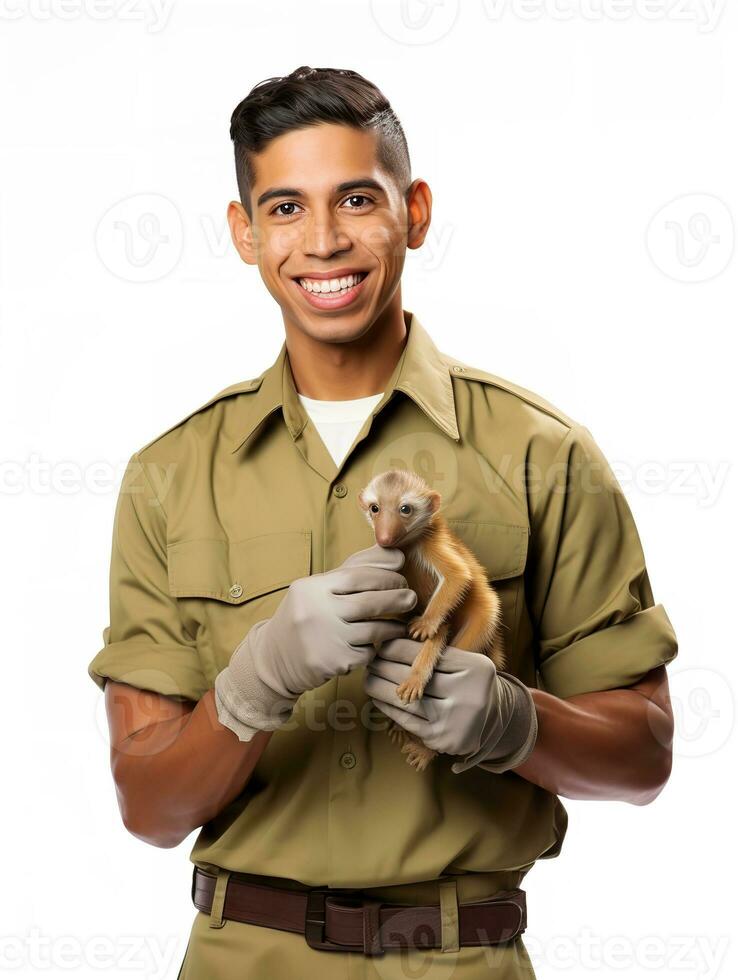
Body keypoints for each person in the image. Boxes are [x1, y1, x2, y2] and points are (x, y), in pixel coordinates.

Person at [87, 66, 679, 979]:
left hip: (465, 960)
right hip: (243, 960)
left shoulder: (544, 453)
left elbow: (644, 756)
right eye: (285, 208)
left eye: (357, 199)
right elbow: (149, 808)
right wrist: (253, 686)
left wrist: (514, 724)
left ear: (417, 211)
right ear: (244, 232)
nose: (323, 242)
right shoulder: (168, 475)